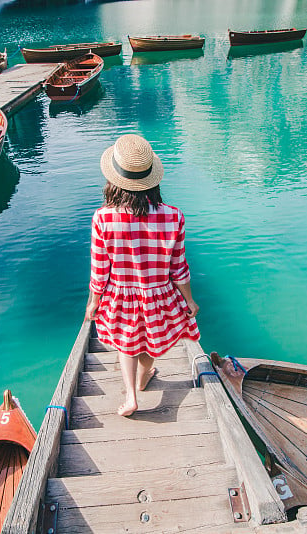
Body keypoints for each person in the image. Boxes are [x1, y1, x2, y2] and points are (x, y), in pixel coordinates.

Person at [85, 134, 200, 417]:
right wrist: (190, 301)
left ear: (114, 180)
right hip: (159, 295)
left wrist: (93, 302)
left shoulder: (103, 218)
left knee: (127, 342)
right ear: (152, 179)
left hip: (121, 294)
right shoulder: (174, 216)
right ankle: (145, 375)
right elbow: (179, 268)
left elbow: (100, 271)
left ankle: (132, 397)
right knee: (149, 340)